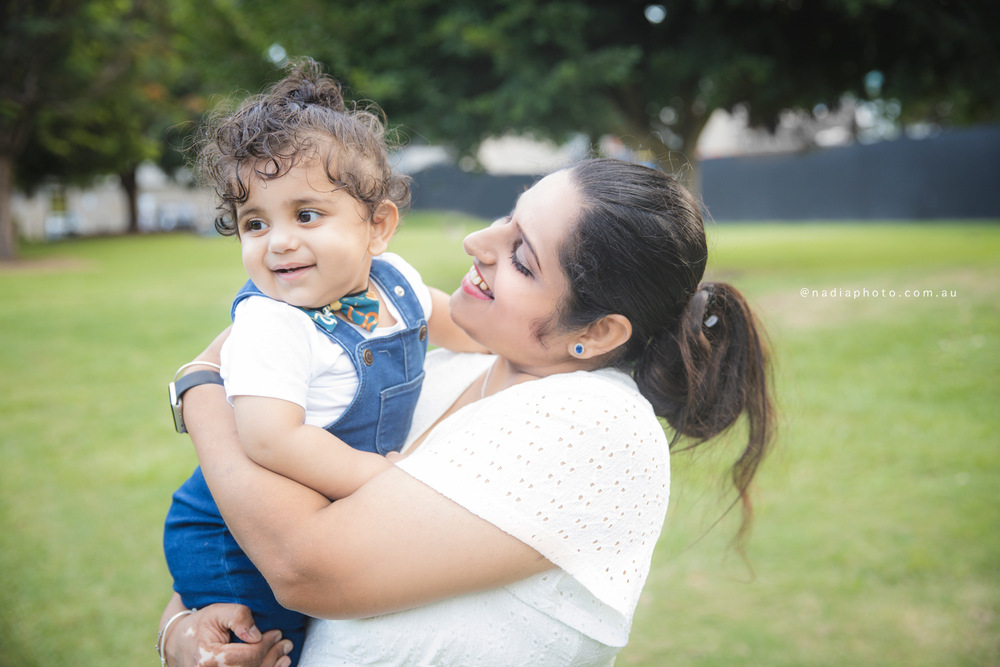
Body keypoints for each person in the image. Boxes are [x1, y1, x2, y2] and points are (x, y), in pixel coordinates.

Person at [158, 157, 775, 667]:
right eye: (508, 217)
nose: (476, 243)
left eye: (522, 257)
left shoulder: (596, 425)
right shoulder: (432, 373)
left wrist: (201, 386)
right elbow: (249, 525)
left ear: (597, 329)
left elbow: (305, 566)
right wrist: (183, 630)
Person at [161, 59, 483, 667]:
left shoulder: (396, 282)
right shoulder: (271, 322)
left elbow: (447, 321)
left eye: (306, 215)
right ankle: (202, 628)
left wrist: (504, 345)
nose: (278, 240)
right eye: (255, 223)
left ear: (378, 227)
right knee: (274, 645)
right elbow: (272, 440)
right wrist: (382, 482)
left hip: (315, 503)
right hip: (231, 537)